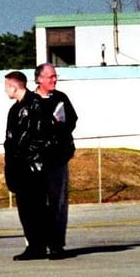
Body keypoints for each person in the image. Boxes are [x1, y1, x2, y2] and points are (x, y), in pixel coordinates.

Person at [4, 70, 58, 261]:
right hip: (20, 166)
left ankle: (51, 245)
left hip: (34, 166)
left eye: (6, 87)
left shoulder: (37, 105)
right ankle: (35, 245)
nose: (5, 91)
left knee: (39, 208)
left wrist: (31, 156)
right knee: (26, 209)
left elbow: (40, 136)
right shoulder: (14, 110)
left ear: (14, 86)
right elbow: (11, 140)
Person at [32, 63, 78, 259]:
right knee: (37, 203)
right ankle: (37, 244)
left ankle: (57, 244)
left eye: (55, 76)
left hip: (57, 157)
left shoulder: (61, 98)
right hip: (37, 160)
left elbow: (73, 120)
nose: (54, 80)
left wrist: (60, 125)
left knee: (58, 202)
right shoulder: (31, 101)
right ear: (39, 79)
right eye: (50, 76)